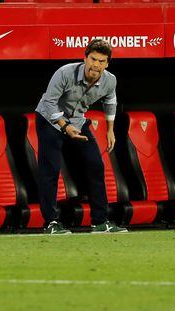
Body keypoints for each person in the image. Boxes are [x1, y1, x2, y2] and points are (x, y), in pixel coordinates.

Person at [35, 39, 127, 234]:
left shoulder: (110, 80)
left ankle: (100, 222)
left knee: (95, 165)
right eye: (93, 59)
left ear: (107, 63)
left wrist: (110, 130)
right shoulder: (64, 73)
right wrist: (64, 126)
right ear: (85, 58)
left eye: (102, 61)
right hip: (50, 121)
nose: (96, 64)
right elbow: (50, 102)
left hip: (77, 120)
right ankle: (50, 223)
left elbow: (111, 101)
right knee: (50, 169)